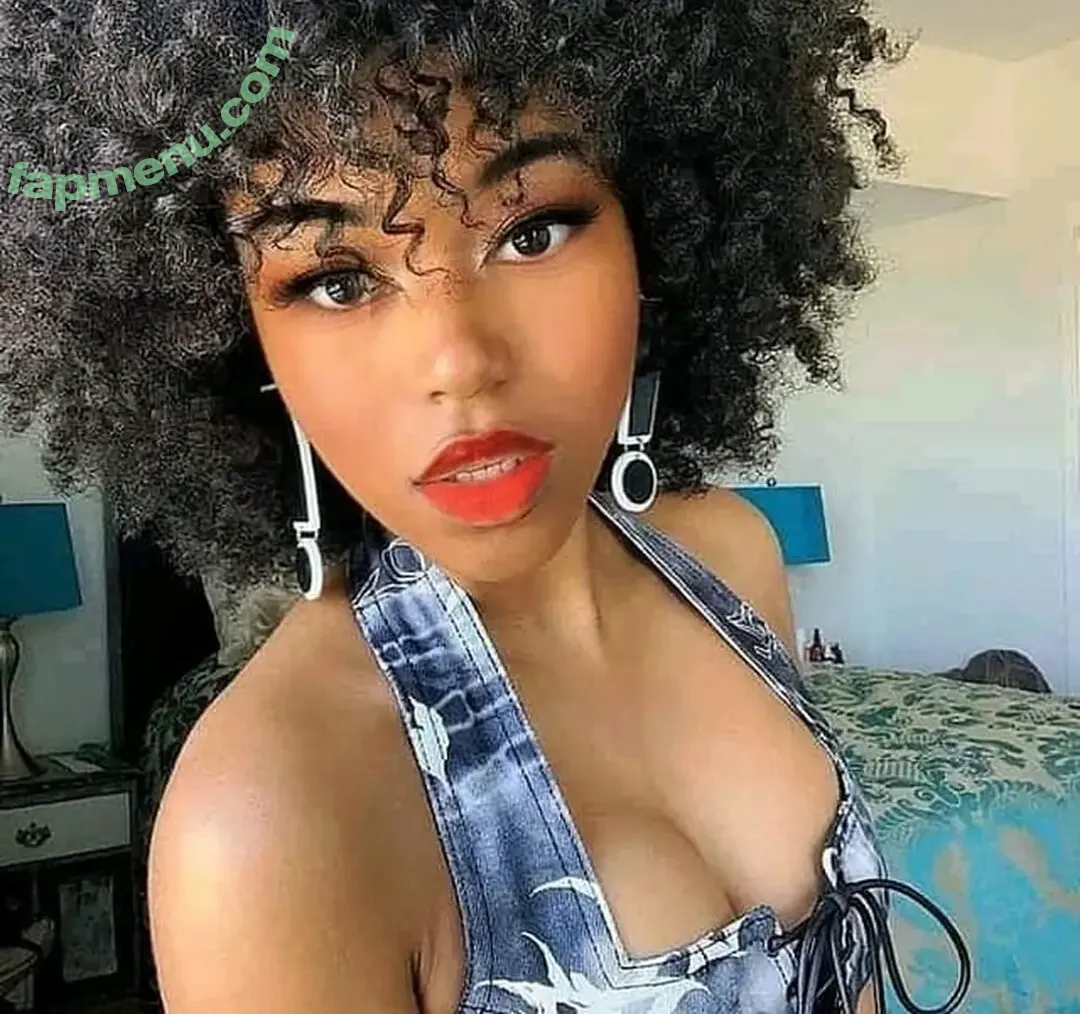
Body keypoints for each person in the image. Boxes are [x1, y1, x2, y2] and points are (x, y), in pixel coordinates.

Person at [0, 2, 970, 1011]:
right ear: (235, 339)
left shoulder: (732, 553)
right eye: (338, 282)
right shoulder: (273, 813)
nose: (459, 362)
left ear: (656, 238)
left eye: (531, 231)